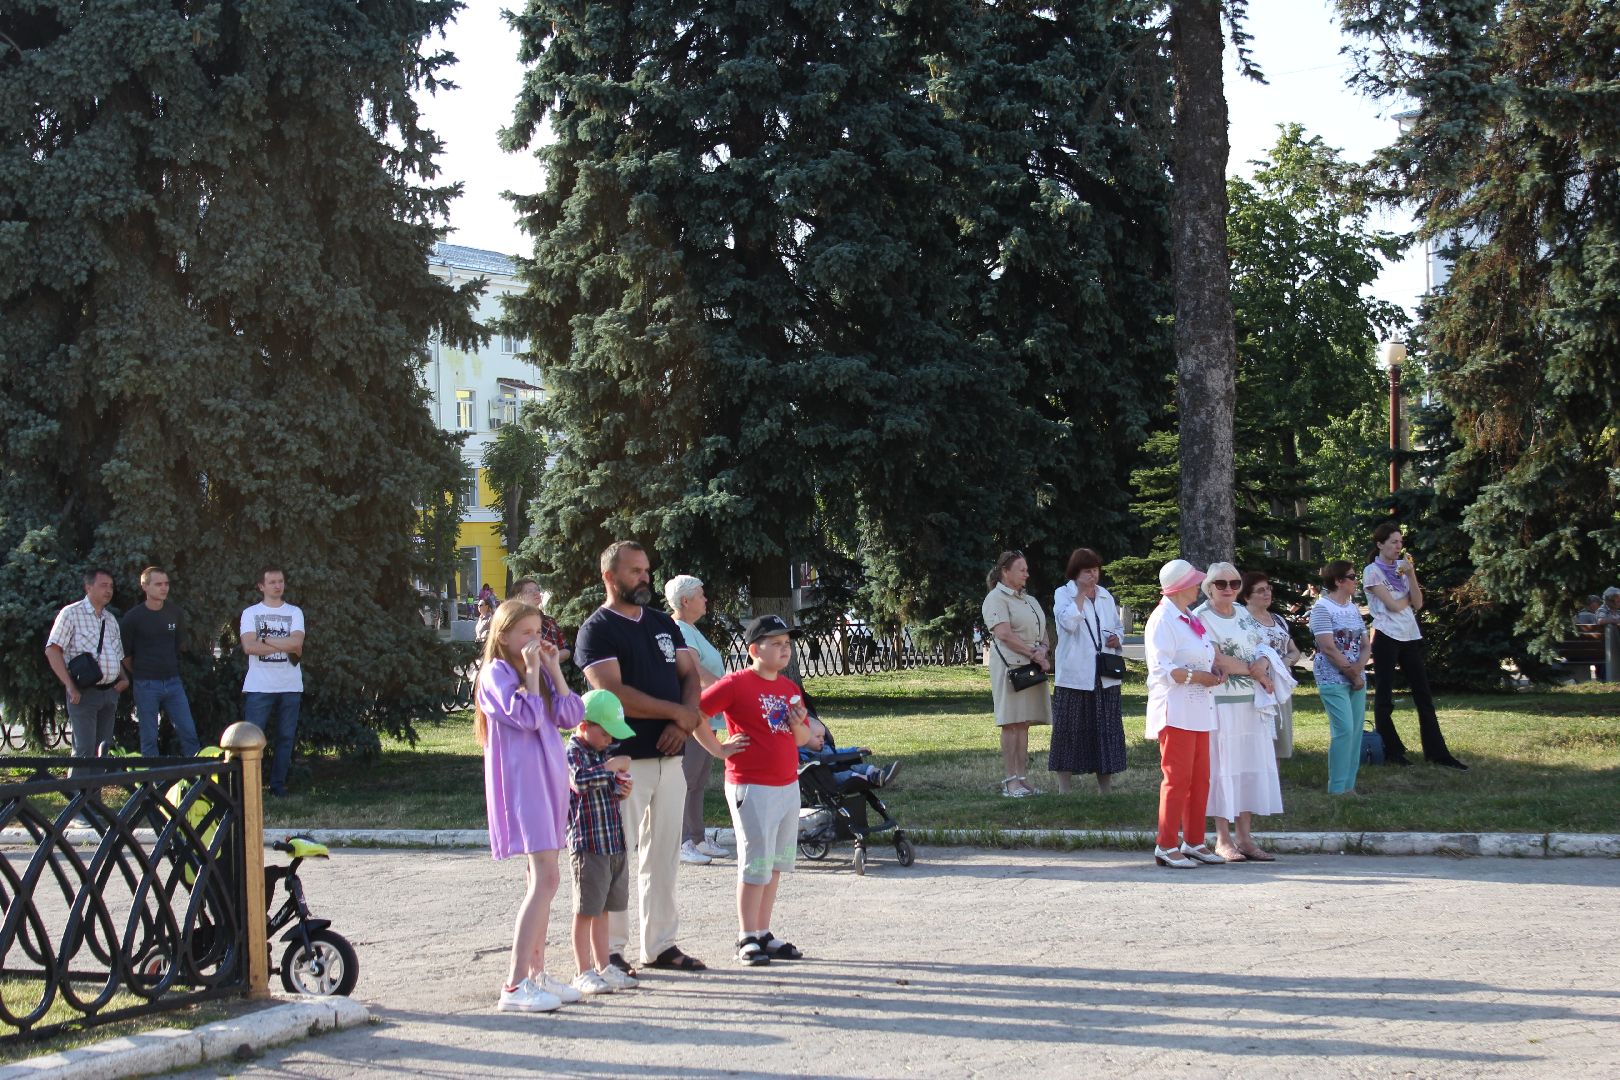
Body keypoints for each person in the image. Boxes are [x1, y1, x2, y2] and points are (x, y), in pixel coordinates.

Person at [575, 541, 707, 973]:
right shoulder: (597, 629)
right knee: (615, 857)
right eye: (634, 571)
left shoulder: (662, 623)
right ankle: (610, 950)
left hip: (671, 759)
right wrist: (677, 713)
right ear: (609, 576)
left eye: (646, 570)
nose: (644, 577)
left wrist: (682, 724)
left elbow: (689, 675)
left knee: (664, 857)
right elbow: (613, 692)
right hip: (623, 761)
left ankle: (661, 946)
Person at [477, 599, 586, 1013]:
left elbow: (571, 714)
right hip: (525, 785)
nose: (534, 640)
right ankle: (515, 983)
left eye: (538, 632)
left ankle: (536, 974)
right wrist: (531, 671)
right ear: (503, 635)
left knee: (543, 879)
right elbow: (525, 717)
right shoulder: (496, 673)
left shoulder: (534, 670)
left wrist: (553, 669)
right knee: (546, 878)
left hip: (549, 782)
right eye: (525, 633)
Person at [693, 615, 811, 966]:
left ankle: (763, 932)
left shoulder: (789, 688)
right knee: (755, 861)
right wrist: (718, 749)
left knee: (774, 863)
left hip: (787, 785)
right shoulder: (736, 683)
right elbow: (696, 713)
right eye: (776, 643)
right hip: (752, 785)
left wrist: (797, 725)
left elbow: (803, 738)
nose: (785, 649)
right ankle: (746, 937)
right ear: (754, 650)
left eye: (787, 643)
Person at [1195, 562, 1283, 862]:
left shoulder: (1244, 614)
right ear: (1209, 587)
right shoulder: (1201, 617)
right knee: (1224, 769)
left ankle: (1245, 837)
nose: (1229, 589)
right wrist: (1254, 670)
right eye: (1221, 584)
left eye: (1234, 583)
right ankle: (1223, 839)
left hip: (1251, 702)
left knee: (1248, 768)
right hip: (1221, 703)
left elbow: (1264, 648)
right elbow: (1216, 659)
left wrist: (1263, 664)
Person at [1363, 524, 1466, 770]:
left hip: (1409, 635)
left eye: (1400, 542)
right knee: (1385, 697)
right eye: (1393, 542)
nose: (1398, 546)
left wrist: (1411, 575)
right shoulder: (1372, 571)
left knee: (1424, 695)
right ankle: (1392, 750)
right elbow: (1393, 606)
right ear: (1380, 544)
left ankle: (1437, 753)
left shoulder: (1403, 569)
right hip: (1386, 635)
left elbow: (1418, 604)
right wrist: (1406, 598)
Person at [1144, 559, 1225, 869]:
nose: (1198, 586)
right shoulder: (1162, 619)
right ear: (1179, 587)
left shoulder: (1188, 616)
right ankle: (1165, 844)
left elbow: (1200, 654)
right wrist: (1198, 677)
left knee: (1200, 779)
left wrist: (1212, 669)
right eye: (1193, 582)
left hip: (1198, 709)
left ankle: (1193, 841)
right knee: (1177, 779)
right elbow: (1161, 669)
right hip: (1176, 710)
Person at [566, 689, 642, 996]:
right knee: (586, 910)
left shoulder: (600, 752)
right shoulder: (574, 751)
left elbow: (607, 788)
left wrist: (621, 788)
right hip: (589, 845)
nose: (610, 740)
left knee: (604, 910)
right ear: (584, 725)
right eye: (606, 733)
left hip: (611, 842)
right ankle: (582, 971)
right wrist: (611, 767)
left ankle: (603, 966)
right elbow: (579, 781)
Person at [664, 574, 732, 866]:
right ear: (686, 600)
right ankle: (681, 842)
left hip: (706, 716)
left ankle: (698, 838)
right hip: (692, 716)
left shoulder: (690, 628)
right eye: (701, 595)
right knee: (686, 779)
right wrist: (730, 690)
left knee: (698, 779)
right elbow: (694, 671)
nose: (706, 599)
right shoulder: (679, 628)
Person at [1049, 548, 1126, 794]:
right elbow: (1068, 623)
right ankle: (1064, 789)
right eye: (1087, 571)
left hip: (1104, 674)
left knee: (1106, 730)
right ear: (1076, 573)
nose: (1093, 575)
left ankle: (1106, 789)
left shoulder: (1105, 596)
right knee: (1068, 731)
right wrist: (1081, 594)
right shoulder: (1063, 593)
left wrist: (1117, 638)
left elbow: (1117, 627)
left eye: (1095, 570)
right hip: (1075, 674)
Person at [981, 551, 1051, 798]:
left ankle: (1022, 779)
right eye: (1021, 569)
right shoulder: (995, 598)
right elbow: (1004, 634)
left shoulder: (1029, 600)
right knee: (1011, 723)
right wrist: (1035, 655)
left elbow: (1043, 632)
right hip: (1010, 668)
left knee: (1023, 723)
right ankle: (1010, 781)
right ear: (1005, 572)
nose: (1026, 574)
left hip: (1031, 666)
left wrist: (1043, 650)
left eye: (1027, 569)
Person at [45, 568, 128, 774]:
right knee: (84, 752)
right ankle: (77, 794)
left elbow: (117, 655)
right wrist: (70, 686)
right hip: (83, 693)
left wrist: (124, 679)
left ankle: (94, 795)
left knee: (102, 751)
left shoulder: (110, 619)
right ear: (88, 587)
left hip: (109, 693)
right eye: (103, 585)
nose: (108, 590)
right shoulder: (71, 613)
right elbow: (52, 650)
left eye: (111, 586)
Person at [121, 566, 200, 757]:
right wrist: (142, 672)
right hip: (146, 683)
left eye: (166, 584)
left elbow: (179, 646)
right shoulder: (133, 617)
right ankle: (152, 776)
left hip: (173, 682)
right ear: (145, 586)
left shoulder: (175, 613)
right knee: (149, 738)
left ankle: (198, 773)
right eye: (158, 584)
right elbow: (125, 655)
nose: (164, 588)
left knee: (189, 733)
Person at [239, 566, 305, 797]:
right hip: (259, 686)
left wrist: (265, 639)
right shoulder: (250, 613)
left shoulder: (295, 612)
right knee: (252, 740)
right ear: (261, 586)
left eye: (281, 581)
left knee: (285, 738)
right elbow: (249, 647)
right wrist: (283, 643)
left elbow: (296, 645)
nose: (278, 586)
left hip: (290, 685)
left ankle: (278, 786)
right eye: (272, 582)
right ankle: (250, 787)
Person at [1311, 561, 1369, 795]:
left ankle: (1349, 787)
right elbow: (1328, 647)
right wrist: (1352, 673)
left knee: (1355, 732)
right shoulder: (1322, 608)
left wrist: (1359, 670)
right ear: (1338, 581)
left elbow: (1365, 644)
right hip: (1331, 677)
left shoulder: (1353, 608)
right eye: (1352, 576)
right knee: (1344, 729)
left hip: (1356, 679)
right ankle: (1336, 788)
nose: (1356, 580)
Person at [1240, 571, 1302, 758]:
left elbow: (1294, 651)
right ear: (1246, 596)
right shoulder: (1242, 621)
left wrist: (1282, 663)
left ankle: (1276, 776)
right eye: (1260, 590)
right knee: (1259, 743)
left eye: (1268, 588)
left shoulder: (1279, 620)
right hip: (1256, 688)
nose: (1267, 593)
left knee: (1279, 743)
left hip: (1279, 687)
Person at [800, 715, 900, 788]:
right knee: (849, 775)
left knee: (859, 767)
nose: (822, 740)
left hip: (839, 767)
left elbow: (839, 752)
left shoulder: (825, 748)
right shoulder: (804, 755)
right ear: (804, 737)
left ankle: (881, 773)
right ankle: (872, 779)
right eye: (818, 737)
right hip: (829, 777)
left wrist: (855, 750)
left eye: (823, 736)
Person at [507, 578, 569, 664]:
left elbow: (566, 650)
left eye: (537, 589)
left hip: (550, 671)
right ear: (518, 597)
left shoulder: (549, 621)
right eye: (529, 591)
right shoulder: (512, 623)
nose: (536, 593)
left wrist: (547, 658)